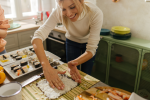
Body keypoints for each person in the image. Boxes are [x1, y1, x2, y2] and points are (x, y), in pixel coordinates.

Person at [31, 0, 103, 90]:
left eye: (72, 7)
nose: (68, 14)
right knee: (72, 77)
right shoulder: (58, 12)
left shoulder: (95, 13)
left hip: (88, 44)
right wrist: (46, 66)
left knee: (86, 75)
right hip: (71, 42)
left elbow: (91, 50)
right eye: (63, 9)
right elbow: (37, 36)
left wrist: (74, 63)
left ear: (81, 1)